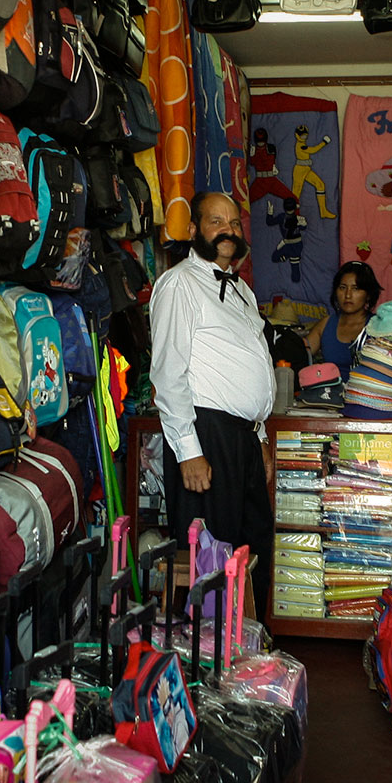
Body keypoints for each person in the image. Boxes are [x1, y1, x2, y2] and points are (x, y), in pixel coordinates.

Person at [150, 191, 277, 613]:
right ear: (192, 231)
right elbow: (168, 374)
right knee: (210, 557)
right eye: (216, 221)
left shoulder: (241, 289)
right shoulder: (179, 284)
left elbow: (251, 362)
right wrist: (188, 451)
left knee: (251, 546)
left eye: (235, 223)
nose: (228, 230)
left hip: (242, 440)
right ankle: (206, 660)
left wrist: (259, 435)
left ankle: (249, 653)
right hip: (206, 436)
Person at [308, 262, 381, 377]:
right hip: (329, 393)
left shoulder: (378, 326)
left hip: (366, 393)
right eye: (342, 288)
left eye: (356, 288)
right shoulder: (326, 324)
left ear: (368, 295)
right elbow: (301, 355)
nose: (348, 295)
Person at [289, 124, 334, 219]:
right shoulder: (300, 145)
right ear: (297, 135)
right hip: (299, 170)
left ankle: (323, 211)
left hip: (306, 169)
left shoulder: (303, 144)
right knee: (296, 192)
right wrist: (324, 143)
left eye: (305, 135)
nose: (304, 137)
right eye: (302, 136)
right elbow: (313, 150)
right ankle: (292, 214)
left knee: (320, 184)